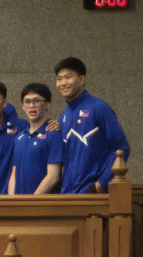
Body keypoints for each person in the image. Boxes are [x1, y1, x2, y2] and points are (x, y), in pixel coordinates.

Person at [55, 57, 130, 194]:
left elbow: (121, 148)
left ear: (82, 79)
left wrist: (101, 184)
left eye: (68, 77)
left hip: (93, 193)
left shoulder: (99, 108)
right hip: (68, 194)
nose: (63, 83)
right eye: (59, 79)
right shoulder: (63, 116)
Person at [9, 83, 63, 195]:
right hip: (20, 206)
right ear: (23, 106)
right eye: (27, 101)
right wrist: (12, 201)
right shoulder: (19, 137)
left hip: (42, 206)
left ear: (47, 105)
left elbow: (53, 176)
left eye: (36, 101)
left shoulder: (53, 134)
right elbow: (14, 173)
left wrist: (32, 201)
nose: (32, 105)